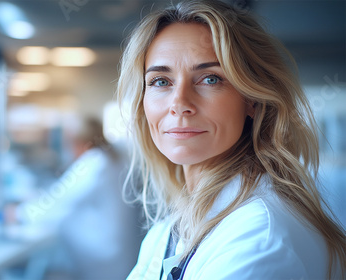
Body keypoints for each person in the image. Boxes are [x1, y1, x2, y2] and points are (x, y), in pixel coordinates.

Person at [116, 1, 346, 279]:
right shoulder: (169, 229)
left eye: (210, 79)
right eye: (161, 81)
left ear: (252, 98)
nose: (179, 104)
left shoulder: (261, 238)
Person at [16, 117, 142, 280]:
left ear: (80, 141)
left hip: (102, 260)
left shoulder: (94, 163)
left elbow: (56, 203)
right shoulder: (113, 157)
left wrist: (19, 213)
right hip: (119, 254)